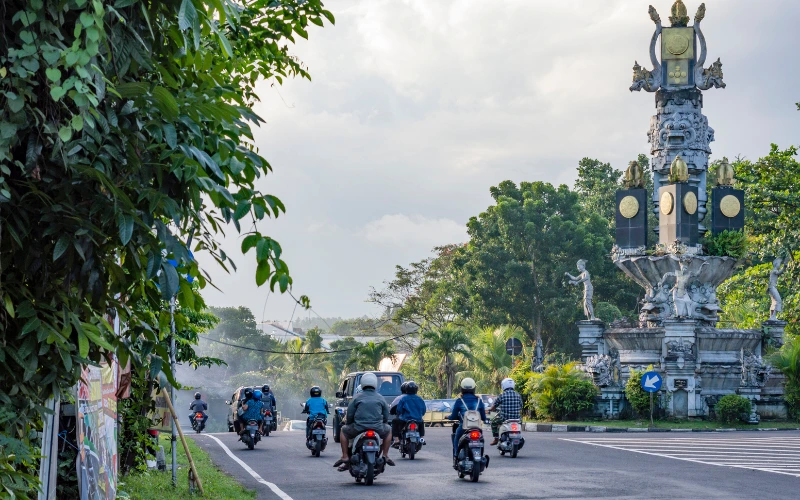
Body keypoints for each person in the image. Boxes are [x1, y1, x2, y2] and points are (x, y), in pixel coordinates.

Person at [333, 372, 395, 471]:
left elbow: (349, 415)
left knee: (343, 430)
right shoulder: (380, 397)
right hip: (378, 428)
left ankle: (345, 456)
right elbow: (386, 415)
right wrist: (383, 422)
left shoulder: (356, 397)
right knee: (389, 430)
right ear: (375, 384)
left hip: (358, 428)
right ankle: (386, 455)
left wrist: (349, 423)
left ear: (362, 384)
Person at [446, 377, 486, 459]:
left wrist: (448, 417)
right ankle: (480, 455)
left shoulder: (459, 401)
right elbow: (484, 418)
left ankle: (456, 454)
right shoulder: (479, 401)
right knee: (481, 439)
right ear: (474, 388)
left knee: (456, 437)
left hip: (464, 427)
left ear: (462, 389)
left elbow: (453, 416)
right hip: (477, 428)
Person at [486, 377, 523, 445]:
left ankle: (496, 439)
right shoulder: (518, 395)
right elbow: (521, 406)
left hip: (504, 418)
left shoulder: (502, 395)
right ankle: (519, 435)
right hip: (517, 419)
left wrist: (490, 410)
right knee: (520, 423)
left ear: (503, 386)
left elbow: (494, 406)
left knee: (493, 422)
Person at [391, 381, 426, 447]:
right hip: (417, 420)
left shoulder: (403, 399)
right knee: (421, 423)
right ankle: (422, 438)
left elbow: (399, 410)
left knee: (394, 421)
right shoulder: (420, 399)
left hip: (405, 419)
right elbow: (423, 411)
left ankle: (396, 440)